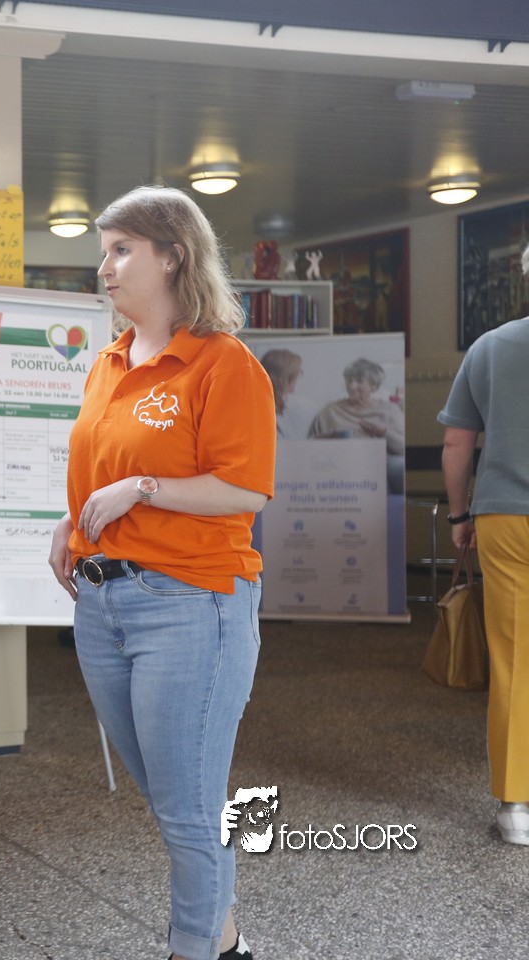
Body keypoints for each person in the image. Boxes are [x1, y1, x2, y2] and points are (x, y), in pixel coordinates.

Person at [47, 185, 275, 960]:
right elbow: (104, 466)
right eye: (103, 251)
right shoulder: (109, 361)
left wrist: (143, 489)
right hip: (103, 604)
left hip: (191, 603)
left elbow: (245, 488)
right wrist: (73, 522)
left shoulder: (223, 362)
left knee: (187, 808)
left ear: (173, 256)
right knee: (173, 796)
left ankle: (195, 948)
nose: (105, 267)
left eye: (122, 250)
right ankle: (225, 937)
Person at [439, 242, 529, 847]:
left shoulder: (490, 347)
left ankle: (517, 806)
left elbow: (456, 444)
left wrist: (460, 514)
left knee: (515, 658)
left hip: (504, 516)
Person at [308, 356, 405, 492]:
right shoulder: (330, 411)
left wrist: (382, 432)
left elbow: (403, 448)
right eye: (349, 380)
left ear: (373, 386)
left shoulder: (389, 411)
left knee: (399, 470)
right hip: (341, 464)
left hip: (382, 461)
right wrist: (331, 436)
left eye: (359, 381)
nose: (352, 386)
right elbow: (309, 444)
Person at [257, 347, 311, 439]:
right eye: (297, 373)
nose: (299, 376)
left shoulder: (275, 407)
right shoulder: (263, 413)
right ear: (285, 377)